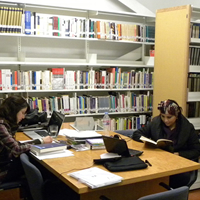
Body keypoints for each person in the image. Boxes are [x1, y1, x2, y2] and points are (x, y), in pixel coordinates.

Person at [132, 99, 200, 188]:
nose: (165, 120)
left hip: (178, 164)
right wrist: (149, 143)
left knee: (171, 178)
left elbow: (196, 150)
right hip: (159, 160)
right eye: (163, 116)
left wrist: (178, 154)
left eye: (169, 117)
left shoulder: (187, 127)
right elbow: (137, 134)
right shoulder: (156, 122)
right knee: (143, 174)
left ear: (177, 115)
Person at [0, 95, 53, 184]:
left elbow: (16, 145)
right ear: (13, 112)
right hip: (2, 170)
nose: (24, 117)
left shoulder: (5, 123)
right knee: (39, 167)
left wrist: (40, 141)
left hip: (5, 163)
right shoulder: (1, 126)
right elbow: (16, 149)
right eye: (23, 113)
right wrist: (40, 142)